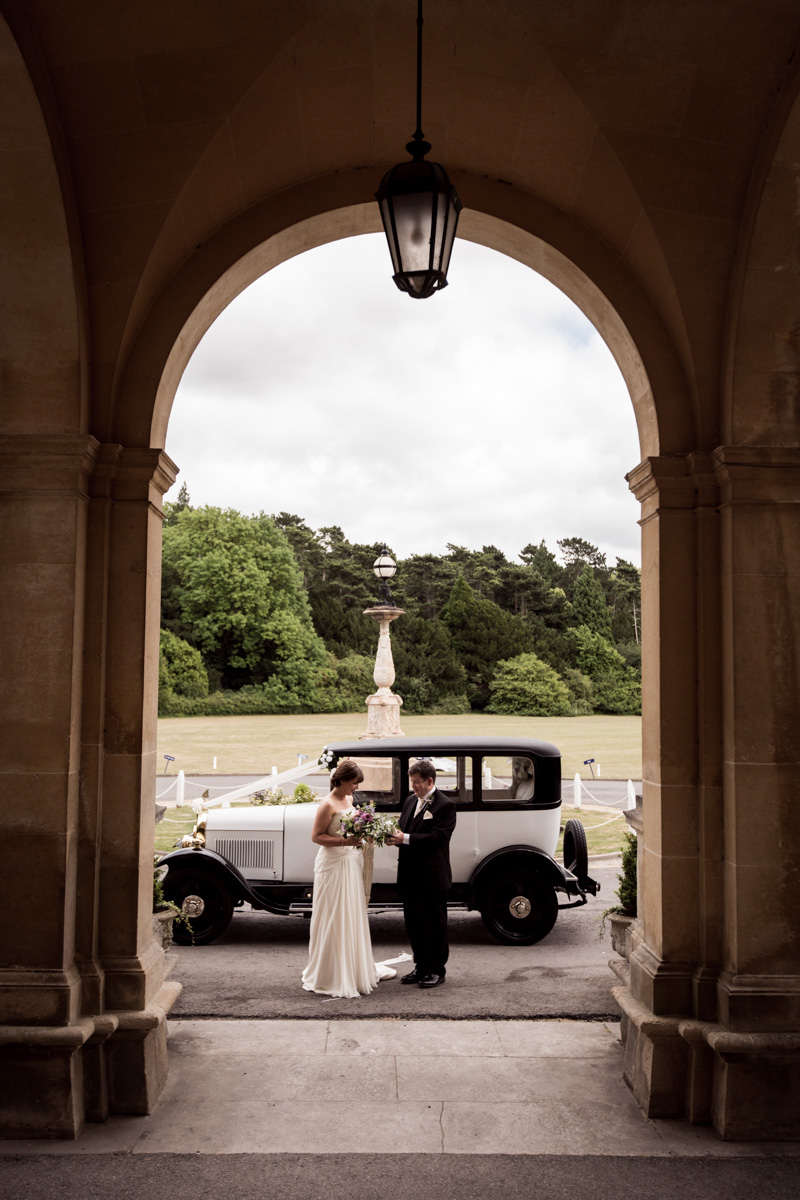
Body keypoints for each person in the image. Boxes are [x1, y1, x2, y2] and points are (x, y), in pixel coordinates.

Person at [301, 759, 396, 998]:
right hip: (332, 865)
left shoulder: (349, 800)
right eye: (354, 783)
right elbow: (316, 837)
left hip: (351, 862)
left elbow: (353, 827)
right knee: (333, 915)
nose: (356, 788)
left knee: (351, 913)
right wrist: (346, 841)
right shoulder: (327, 804)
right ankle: (331, 972)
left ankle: (353, 968)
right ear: (342, 780)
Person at [387, 759, 456, 989]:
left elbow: (438, 838)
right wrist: (394, 837)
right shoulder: (410, 801)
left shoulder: (444, 805)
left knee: (434, 925)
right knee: (415, 924)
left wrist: (404, 838)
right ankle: (421, 966)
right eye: (412, 783)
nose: (414, 787)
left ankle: (437, 970)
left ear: (430, 781)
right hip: (409, 876)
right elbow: (404, 828)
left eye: (417, 783)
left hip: (432, 878)